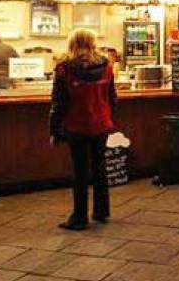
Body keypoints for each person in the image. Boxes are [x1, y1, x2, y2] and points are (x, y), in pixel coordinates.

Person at [49, 29, 116, 231]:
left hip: (76, 124)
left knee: (80, 171)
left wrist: (54, 130)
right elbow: (112, 97)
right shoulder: (106, 66)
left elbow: (58, 103)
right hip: (101, 123)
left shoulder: (64, 69)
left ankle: (79, 218)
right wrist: (109, 118)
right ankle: (101, 211)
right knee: (100, 167)